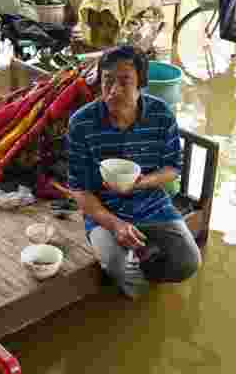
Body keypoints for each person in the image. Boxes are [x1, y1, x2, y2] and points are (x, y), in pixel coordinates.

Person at [67, 45, 201, 298]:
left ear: (141, 83)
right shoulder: (82, 122)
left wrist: (141, 183)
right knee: (120, 267)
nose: (114, 90)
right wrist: (116, 225)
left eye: (124, 81)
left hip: (151, 202)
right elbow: (80, 190)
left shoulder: (161, 114)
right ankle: (137, 299)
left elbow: (173, 168)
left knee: (188, 262)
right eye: (107, 81)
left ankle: (146, 266)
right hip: (104, 209)